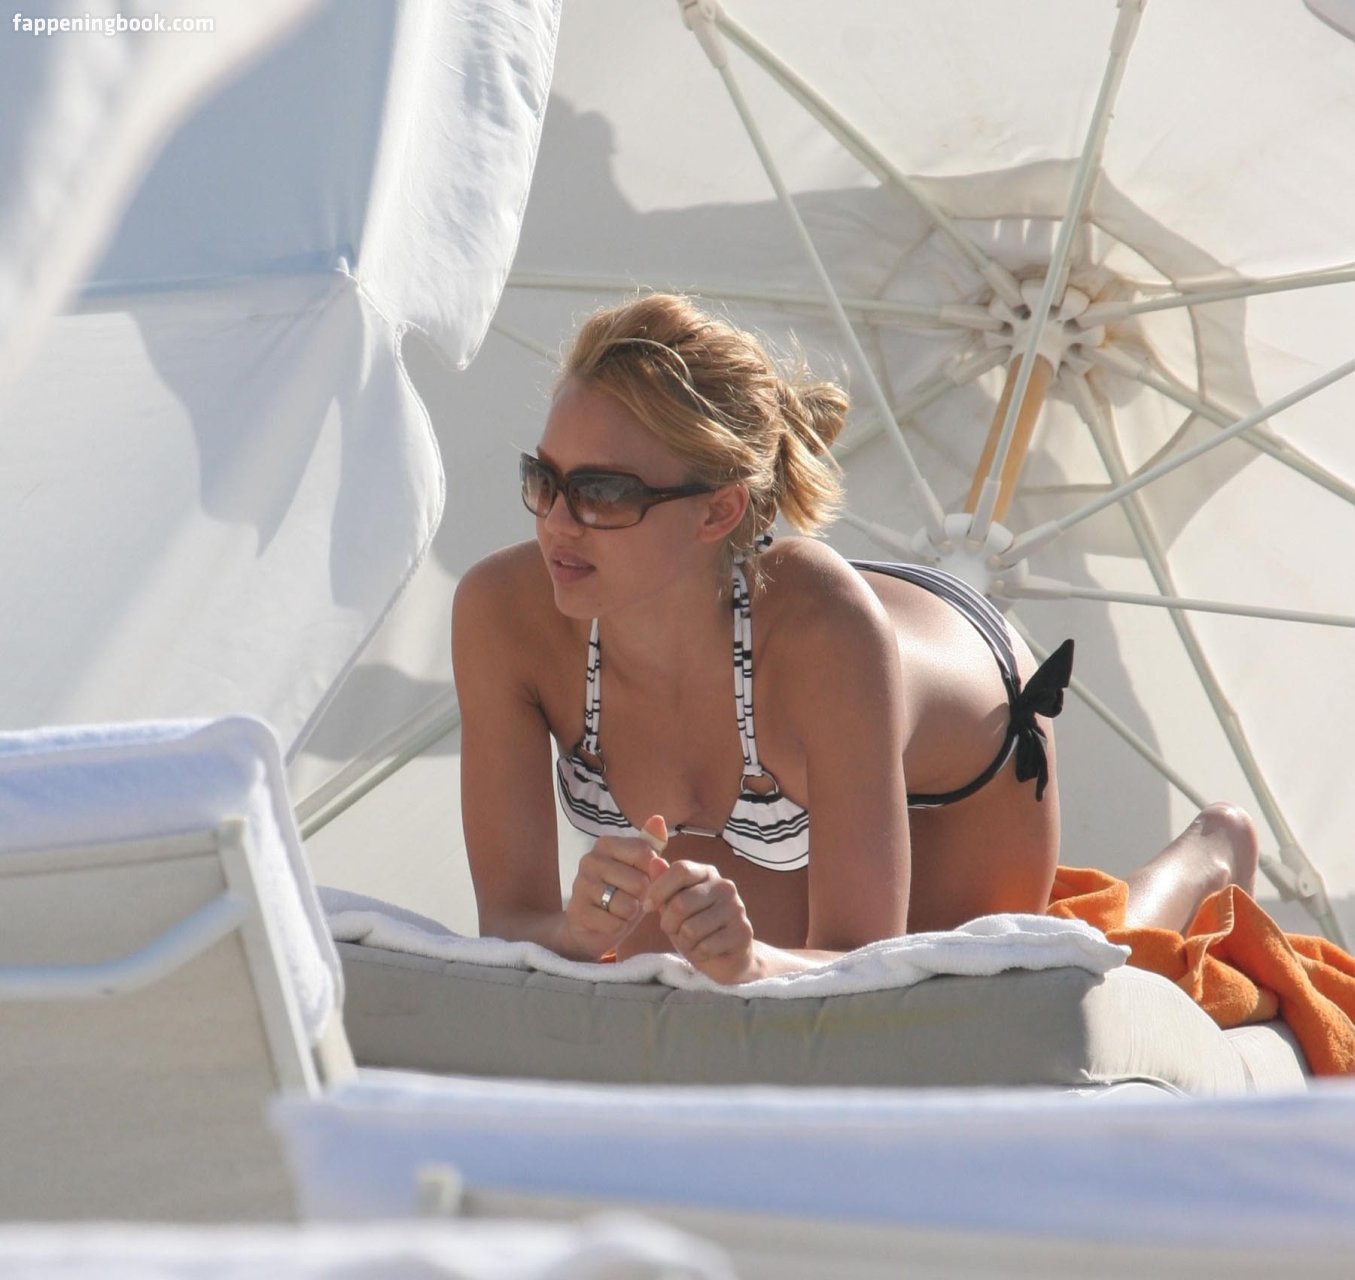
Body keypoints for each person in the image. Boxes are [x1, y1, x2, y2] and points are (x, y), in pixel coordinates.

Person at [452, 292, 1259, 985]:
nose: (556, 523)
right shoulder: (502, 614)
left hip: (971, 742)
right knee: (677, 956)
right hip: (768, 647)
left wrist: (757, 963)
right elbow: (511, 926)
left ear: (718, 511)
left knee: (1007, 990)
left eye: (601, 493)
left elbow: (857, 963)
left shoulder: (826, 636)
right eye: (542, 480)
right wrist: (575, 934)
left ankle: (1204, 854)